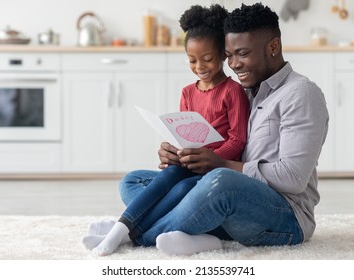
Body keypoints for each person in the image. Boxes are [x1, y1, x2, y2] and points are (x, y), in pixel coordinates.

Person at [113, 2, 329, 256]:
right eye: (229, 55)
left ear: (273, 47)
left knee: (221, 182)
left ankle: (132, 235)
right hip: (225, 196)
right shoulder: (243, 90)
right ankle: (200, 235)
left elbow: (293, 178)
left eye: (243, 53)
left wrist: (220, 164)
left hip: (284, 215)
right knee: (135, 181)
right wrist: (179, 154)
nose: (234, 64)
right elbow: (212, 138)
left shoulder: (300, 93)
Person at [84, 4, 249, 256]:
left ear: (222, 56)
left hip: (215, 172)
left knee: (179, 189)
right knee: (131, 181)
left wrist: (213, 160)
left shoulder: (232, 91)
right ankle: (166, 229)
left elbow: (238, 139)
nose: (200, 66)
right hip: (187, 166)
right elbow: (182, 132)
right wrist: (172, 150)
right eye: (192, 60)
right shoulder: (187, 92)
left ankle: (122, 231)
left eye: (207, 59)